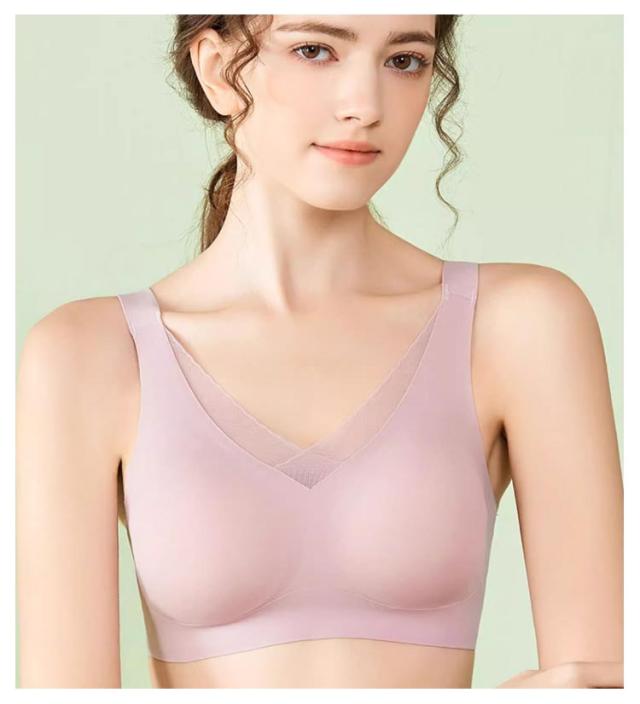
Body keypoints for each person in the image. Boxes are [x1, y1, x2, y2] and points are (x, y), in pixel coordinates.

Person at [16, 14, 623, 689]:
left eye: (404, 60)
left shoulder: (519, 325)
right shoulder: (90, 357)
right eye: (315, 50)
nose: (365, 105)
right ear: (218, 69)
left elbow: (602, 684)